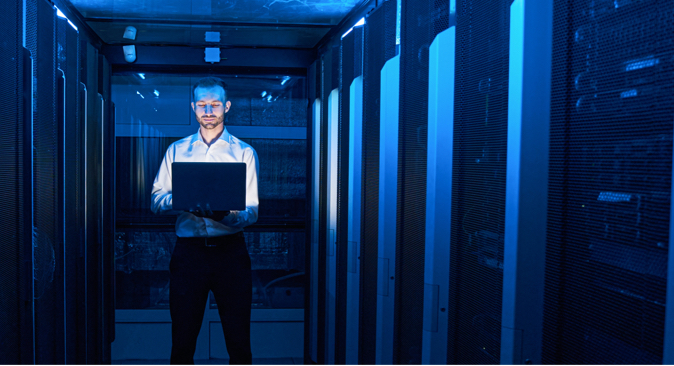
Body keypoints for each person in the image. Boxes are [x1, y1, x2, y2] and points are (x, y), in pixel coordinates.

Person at [151, 76, 259, 364]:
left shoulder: (244, 152)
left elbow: (252, 212)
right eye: (202, 104)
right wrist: (184, 200)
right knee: (183, 340)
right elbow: (156, 201)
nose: (208, 110)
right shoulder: (176, 150)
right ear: (193, 107)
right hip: (189, 255)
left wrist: (226, 215)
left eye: (214, 104)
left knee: (238, 340)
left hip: (230, 254)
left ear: (227, 106)